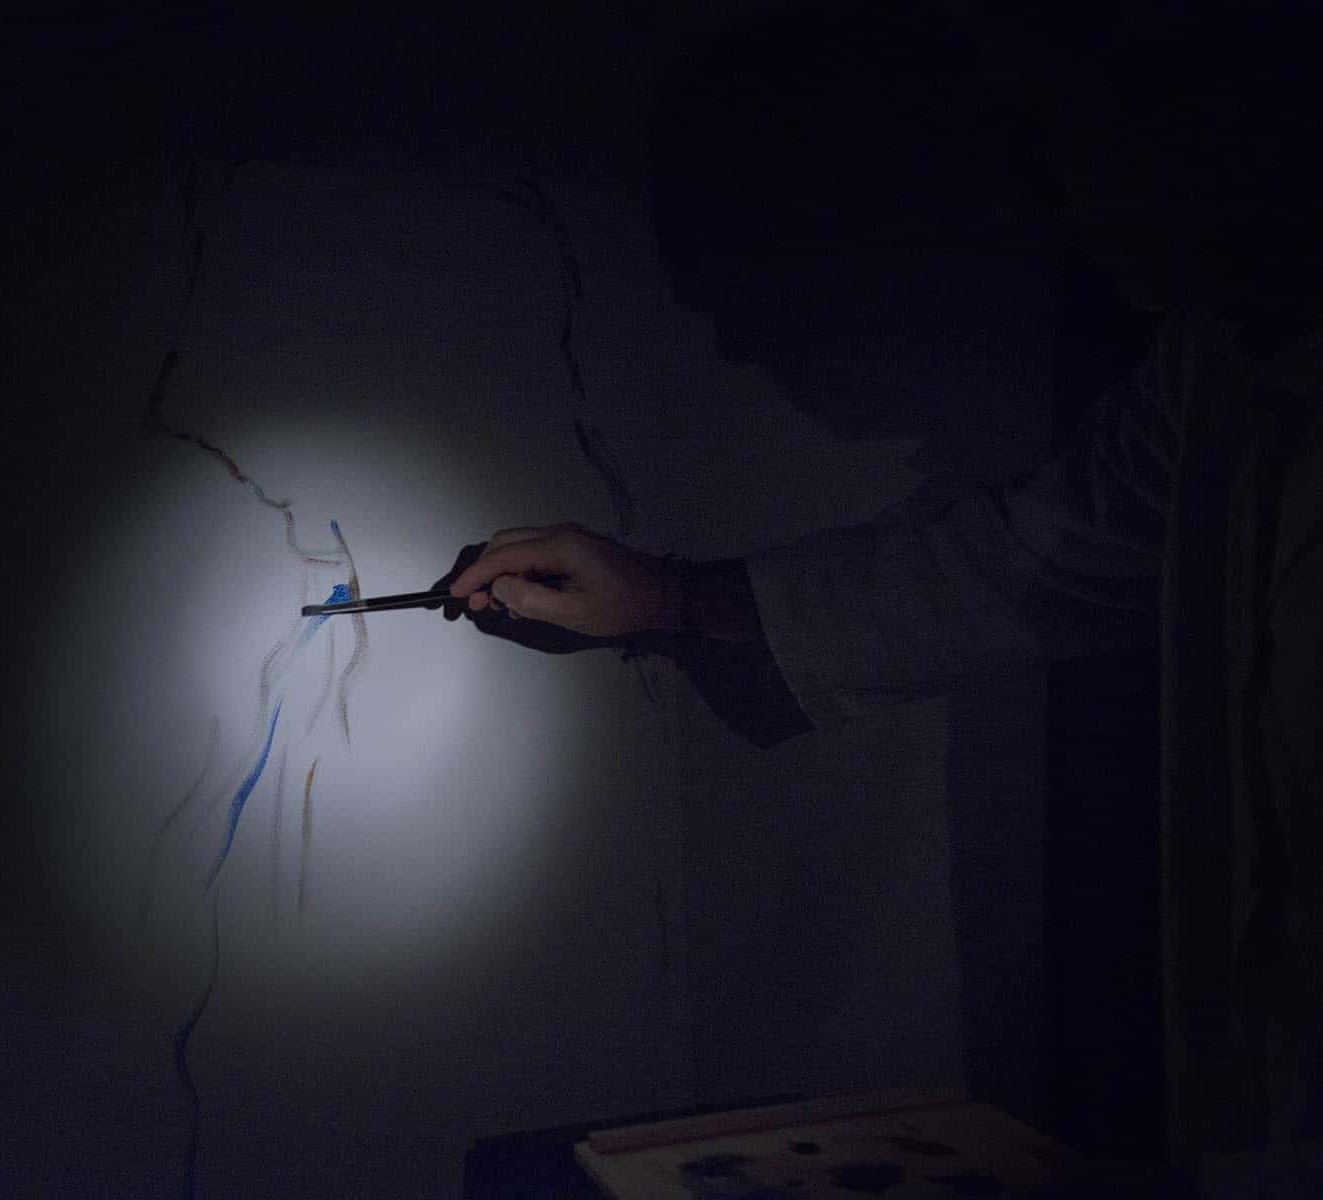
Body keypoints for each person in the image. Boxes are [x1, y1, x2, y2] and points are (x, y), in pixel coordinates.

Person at [436, 5, 1322, 1197]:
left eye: (1113, 133)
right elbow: (1022, 561)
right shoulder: (1211, 375)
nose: (1085, 194)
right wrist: (668, 599)